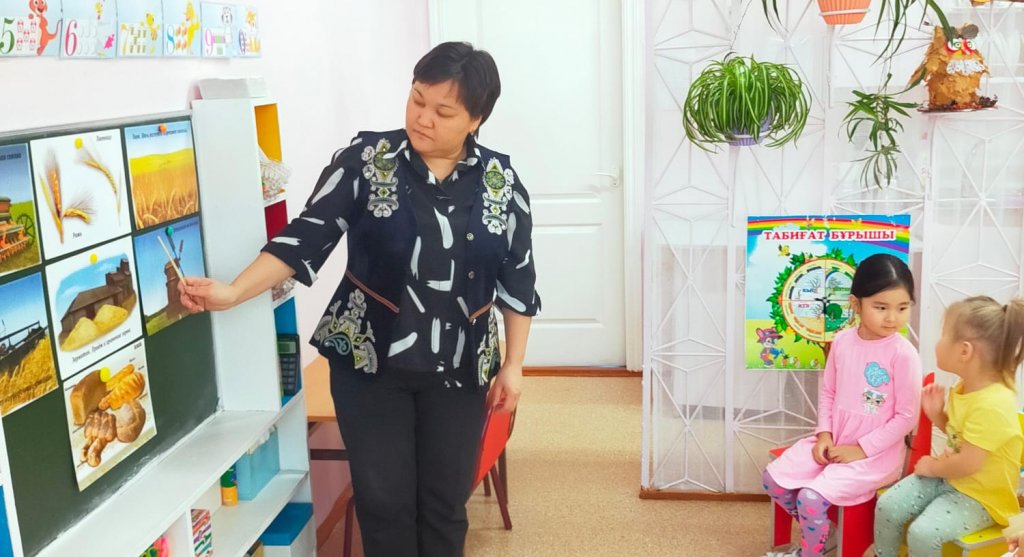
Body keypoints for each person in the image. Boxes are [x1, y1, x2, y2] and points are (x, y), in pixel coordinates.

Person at [178, 42, 540, 557]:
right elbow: (305, 237)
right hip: (369, 365)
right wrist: (234, 291)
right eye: (417, 99)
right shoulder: (367, 162)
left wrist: (514, 365)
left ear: (476, 119)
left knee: (445, 505)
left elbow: (518, 280)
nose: (422, 118)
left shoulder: (502, 184)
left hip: (459, 371)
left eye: (443, 112)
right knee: (384, 504)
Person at [762, 253, 922, 557]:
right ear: (855, 304)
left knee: (810, 498)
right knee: (773, 480)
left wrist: (860, 450)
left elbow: (906, 417)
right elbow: (829, 392)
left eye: (902, 308)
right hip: (834, 441)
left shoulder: (903, 354)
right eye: (881, 307)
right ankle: (822, 533)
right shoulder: (842, 342)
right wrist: (824, 434)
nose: (892, 318)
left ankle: (812, 551)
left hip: (875, 456)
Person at [873, 296, 1024, 557]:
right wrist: (938, 415)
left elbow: (969, 463)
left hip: (982, 498)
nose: (938, 342)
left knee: (924, 533)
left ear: (964, 351)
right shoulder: (965, 387)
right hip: (951, 477)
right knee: (888, 505)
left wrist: (932, 467)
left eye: (944, 335)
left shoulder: (994, 404)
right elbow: (960, 438)